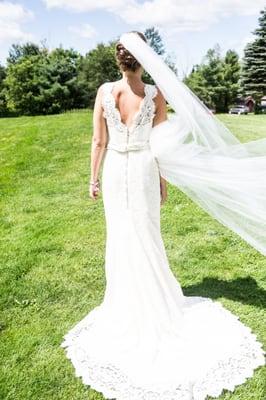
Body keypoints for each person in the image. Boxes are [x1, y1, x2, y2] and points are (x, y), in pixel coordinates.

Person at [61, 31, 265, 400]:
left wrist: (92, 177)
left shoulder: (105, 92)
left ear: (118, 60)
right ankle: (148, 300)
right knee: (145, 235)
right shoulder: (155, 94)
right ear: (144, 60)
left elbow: (98, 141)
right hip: (143, 170)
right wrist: (162, 182)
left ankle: (125, 304)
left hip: (115, 172)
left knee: (122, 236)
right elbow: (162, 145)